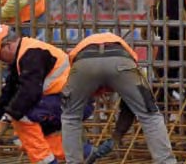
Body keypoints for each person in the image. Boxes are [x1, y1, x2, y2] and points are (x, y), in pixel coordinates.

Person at [0, 24, 93, 164]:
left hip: (73, 101)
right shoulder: (22, 57)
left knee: (22, 117)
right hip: (63, 101)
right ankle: (82, 151)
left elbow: (29, 92)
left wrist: (5, 120)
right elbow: (8, 95)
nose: (0, 61)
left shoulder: (32, 54)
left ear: (7, 45)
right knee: (21, 138)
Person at [61, 32, 177, 164]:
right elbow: (130, 107)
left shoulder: (74, 65)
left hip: (83, 62)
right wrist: (117, 136)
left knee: (70, 117)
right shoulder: (130, 65)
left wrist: (117, 136)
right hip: (121, 60)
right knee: (150, 115)